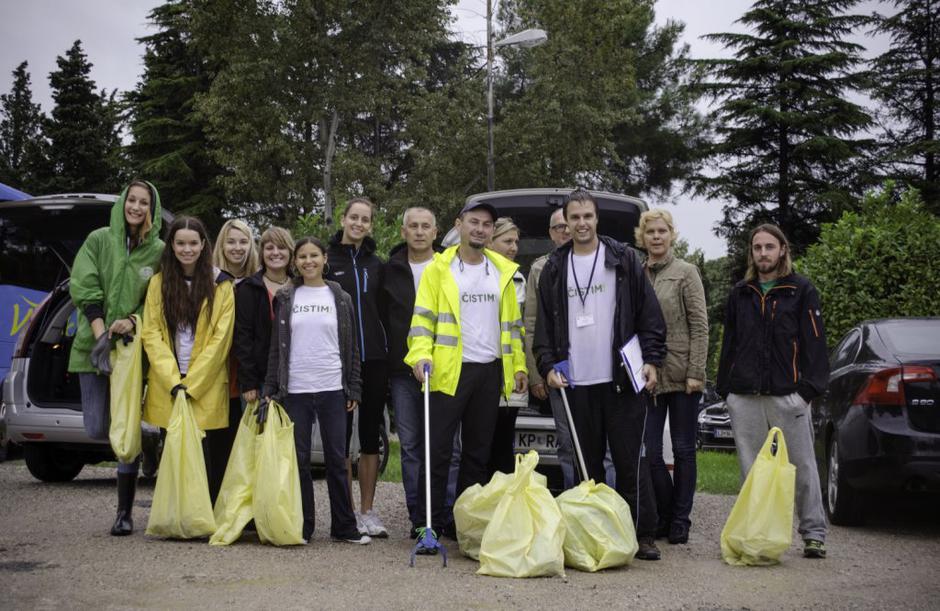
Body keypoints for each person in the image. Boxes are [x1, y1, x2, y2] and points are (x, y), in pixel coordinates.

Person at [533, 188, 666, 561]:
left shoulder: (623, 259)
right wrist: (546, 366)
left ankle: (643, 534)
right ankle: (595, 533)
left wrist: (652, 360)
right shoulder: (555, 268)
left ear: (596, 218)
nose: (581, 224)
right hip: (576, 384)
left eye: (587, 216)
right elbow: (542, 327)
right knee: (586, 467)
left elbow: (649, 317)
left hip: (620, 380)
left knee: (629, 462)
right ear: (566, 223)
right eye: (573, 218)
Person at [405, 200, 527, 541]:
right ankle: (427, 522)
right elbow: (422, 319)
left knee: (477, 454)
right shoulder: (438, 269)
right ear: (459, 225)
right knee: (438, 451)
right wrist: (419, 356)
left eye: (487, 224)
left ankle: (464, 523)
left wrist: (517, 365)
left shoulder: (503, 270)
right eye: (474, 222)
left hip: (489, 373)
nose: (480, 229)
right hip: (446, 372)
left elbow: (513, 326)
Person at [716, 223, 829, 559]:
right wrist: (726, 390)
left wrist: (807, 391)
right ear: (751, 252)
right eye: (757, 247)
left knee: (803, 466)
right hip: (745, 397)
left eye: (769, 247)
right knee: (751, 471)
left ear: (782, 249)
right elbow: (730, 345)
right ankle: (757, 532)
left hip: (787, 396)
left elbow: (816, 346)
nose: (762, 253)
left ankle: (813, 533)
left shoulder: (801, 290)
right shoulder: (741, 292)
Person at [68, 179, 165, 536]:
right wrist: (99, 335)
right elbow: (83, 284)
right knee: (96, 427)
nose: (137, 207)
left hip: (130, 350)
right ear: (123, 202)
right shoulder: (99, 240)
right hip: (92, 346)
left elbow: (156, 299)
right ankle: (147, 437)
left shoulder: (157, 251)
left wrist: (133, 319)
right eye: (132, 200)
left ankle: (124, 513)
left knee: (123, 426)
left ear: (152, 209)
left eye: (144, 202)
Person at [262, 237, 370, 545]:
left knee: (338, 460)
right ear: (295, 262)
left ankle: (344, 527)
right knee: (299, 460)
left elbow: (352, 348)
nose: (308, 261)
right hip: (294, 390)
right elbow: (275, 349)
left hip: (333, 388)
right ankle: (303, 526)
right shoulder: (285, 297)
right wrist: (271, 387)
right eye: (302, 257)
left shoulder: (340, 297)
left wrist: (354, 387)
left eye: (314, 255)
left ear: (324, 259)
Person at [140, 216, 235, 507]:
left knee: (205, 451)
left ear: (203, 244)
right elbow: (151, 332)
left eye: (193, 243)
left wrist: (192, 383)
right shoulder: (158, 283)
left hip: (203, 382)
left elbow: (222, 339)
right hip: (170, 381)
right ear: (171, 245)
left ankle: (203, 514)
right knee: (173, 449)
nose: (187, 249)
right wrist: (174, 381)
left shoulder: (221, 284)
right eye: (180, 243)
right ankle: (174, 513)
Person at [380, 206, 461, 538]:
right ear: (403, 232)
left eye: (425, 226)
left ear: (435, 231)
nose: (418, 231)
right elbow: (382, 320)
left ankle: (447, 515)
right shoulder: (390, 270)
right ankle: (419, 517)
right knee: (412, 447)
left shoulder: (451, 266)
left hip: (445, 370)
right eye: (412, 226)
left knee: (449, 447)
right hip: (404, 373)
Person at [637, 209, 708, 545]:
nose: (656, 237)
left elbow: (700, 325)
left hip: (682, 375)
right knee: (651, 452)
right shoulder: (637, 272)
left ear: (671, 235)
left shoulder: (686, 272)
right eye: (650, 231)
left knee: (682, 450)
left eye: (662, 231)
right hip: (648, 376)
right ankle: (665, 513)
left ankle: (681, 520)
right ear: (642, 236)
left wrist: (696, 371)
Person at [326, 197, 389, 538]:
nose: (359, 223)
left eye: (366, 219)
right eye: (354, 217)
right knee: (340, 438)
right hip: (338, 360)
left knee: (369, 436)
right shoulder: (326, 259)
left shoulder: (376, 263)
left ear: (371, 224)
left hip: (375, 359)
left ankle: (367, 510)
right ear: (343, 219)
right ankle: (346, 513)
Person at [523, 207, 575, 488]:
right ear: (550, 234)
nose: (565, 231)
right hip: (557, 368)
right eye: (558, 227)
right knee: (566, 442)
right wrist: (535, 373)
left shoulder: (600, 261)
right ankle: (571, 503)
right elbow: (531, 322)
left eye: (568, 225)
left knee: (601, 447)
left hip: (596, 371)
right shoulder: (540, 268)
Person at [210, 219, 261, 500]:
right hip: (216, 371)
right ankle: (219, 504)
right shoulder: (210, 278)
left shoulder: (258, 280)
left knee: (248, 440)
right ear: (221, 244)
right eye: (231, 241)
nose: (237, 247)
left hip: (248, 373)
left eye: (243, 241)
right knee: (222, 442)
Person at [486, 217, 528, 476]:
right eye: (507, 241)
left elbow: (518, 330)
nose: (513, 247)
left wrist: (521, 368)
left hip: (510, 376)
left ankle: (502, 507)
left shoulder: (518, 278)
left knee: (504, 445)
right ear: (490, 241)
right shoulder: (475, 274)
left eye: (516, 242)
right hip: (482, 372)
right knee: (481, 445)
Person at [234, 226, 294, 405]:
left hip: (296, 380)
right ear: (262, 253)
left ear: (290, 252)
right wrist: (249, 382)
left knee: (295, 433)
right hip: (259, 381)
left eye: (281, 247)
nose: (275, 253)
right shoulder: (249, 288)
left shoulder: (301, 287)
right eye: (269, 248)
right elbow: (242, 338)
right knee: (260, 433)